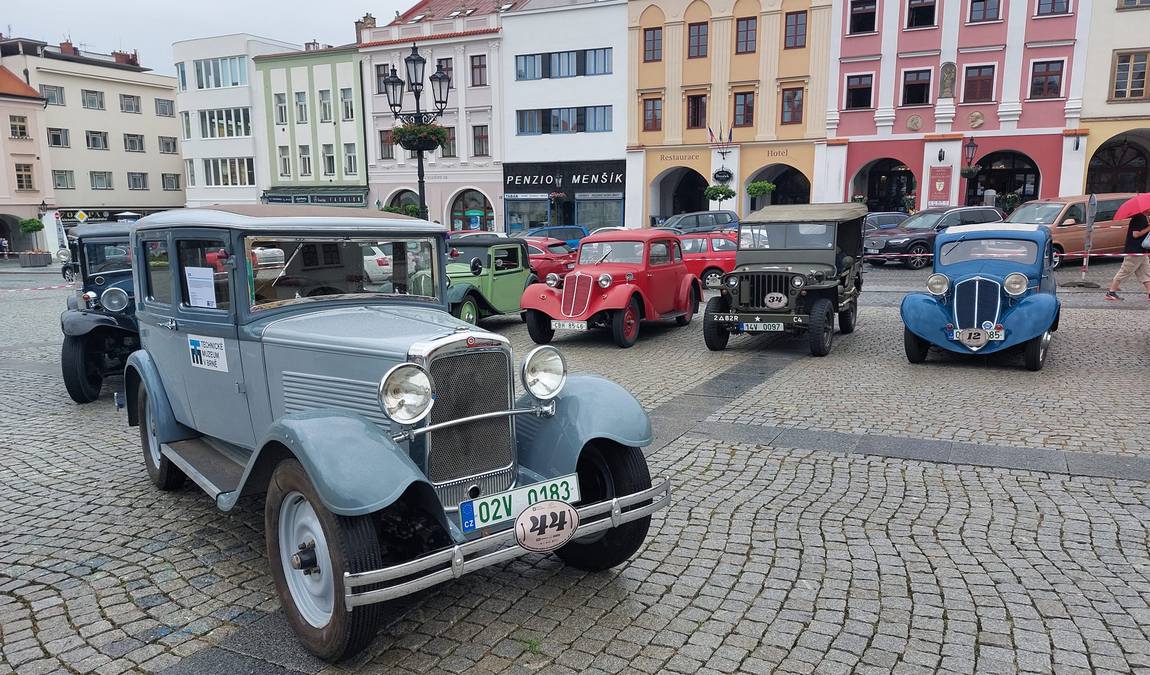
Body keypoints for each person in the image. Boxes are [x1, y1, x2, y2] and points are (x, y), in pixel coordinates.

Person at [1104, 212, 1150, 301]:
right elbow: (1135, 234)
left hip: (1141, 252)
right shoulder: (1139, 218)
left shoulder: (1143, 217)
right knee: (1125, 271)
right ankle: (1111, 292)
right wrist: (1149, 228)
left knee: (1146, 273)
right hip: (1134, 251)